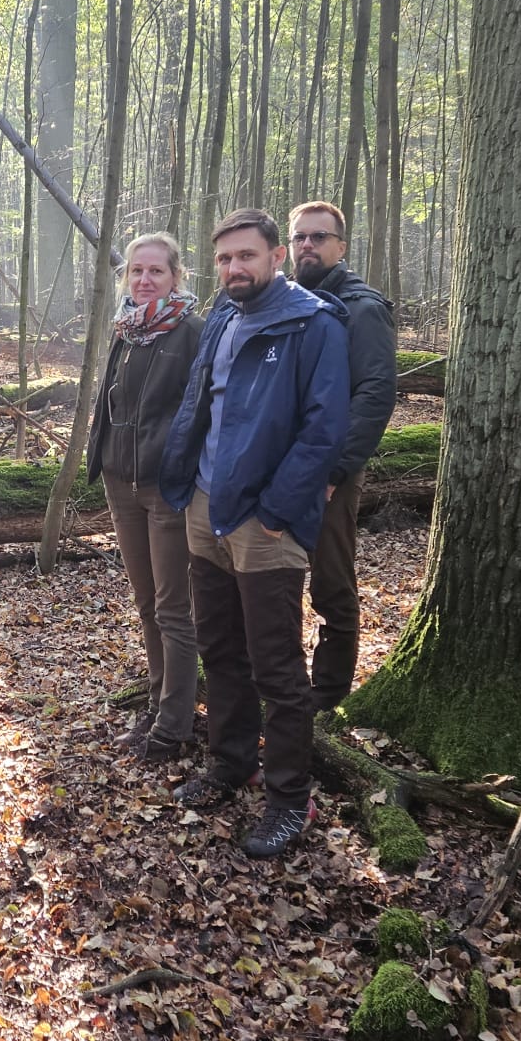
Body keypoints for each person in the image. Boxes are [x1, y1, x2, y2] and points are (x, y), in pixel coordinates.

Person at [160, 208, 350, 859]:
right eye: (224, 258)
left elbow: (324, 429)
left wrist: (274, 509)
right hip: (206, 508)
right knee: (221, 649)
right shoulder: (222, 315)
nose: (235, 268)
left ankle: (289, 799)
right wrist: (184, 479)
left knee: (276, 666)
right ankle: (230, 764)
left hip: (264, 522)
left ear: (275, 257)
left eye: (246, 256)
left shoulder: (313, 324)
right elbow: (199, 403)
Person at [87, 234, 206, 763]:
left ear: (175, 276)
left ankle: (176, 723)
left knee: (172, 607)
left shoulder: (193, 333)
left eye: (156, 271)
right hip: (121, 483)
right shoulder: (126, 331)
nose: (144, 280)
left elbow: (204, 411)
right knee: (144, 602)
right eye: (136, 271)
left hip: (168, 488)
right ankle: (159, 699)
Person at [285, 201, 397, 711]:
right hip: (277, 467)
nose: (308, 245)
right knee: (275, 578)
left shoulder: (362, 308)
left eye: (319, 237)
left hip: (328, 471)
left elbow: (374, 393)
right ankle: (284, 686)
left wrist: (335, 469)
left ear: (341, 247)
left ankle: (328, 698)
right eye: (300, 237)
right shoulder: (282, 301)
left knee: (330, 581)